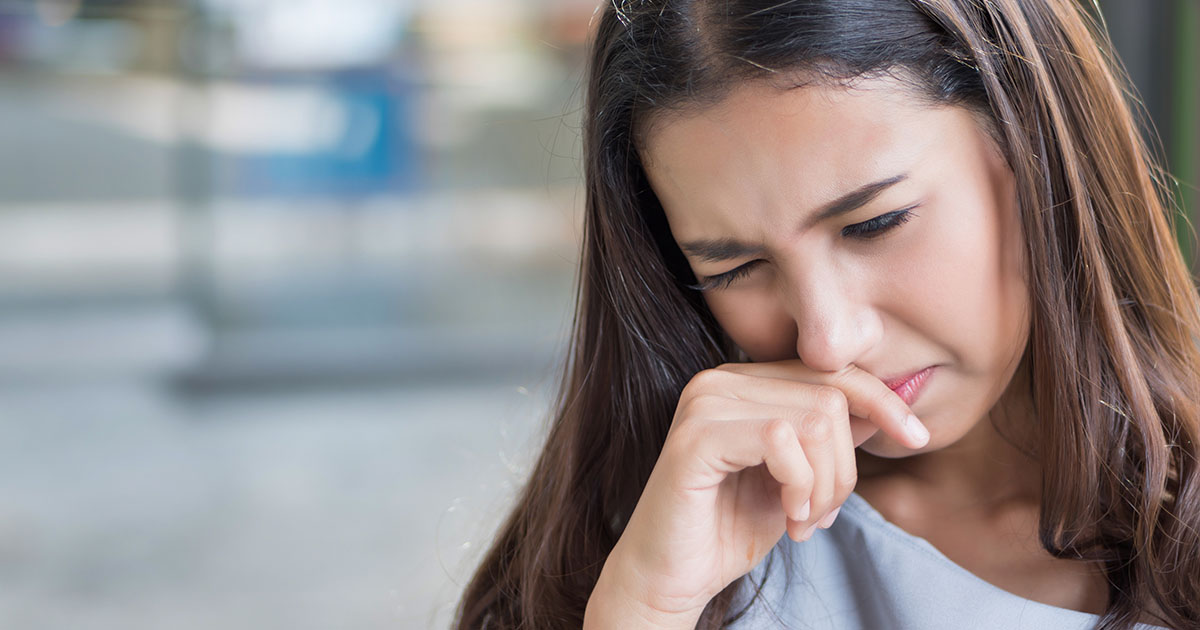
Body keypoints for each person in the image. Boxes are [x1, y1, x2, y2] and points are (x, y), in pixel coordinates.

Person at [455, 0, 1200, 628]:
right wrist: (643, 608)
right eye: (735, 269)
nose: (827, 341)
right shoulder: (649, 553)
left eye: (876, 223)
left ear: (1035, 147)